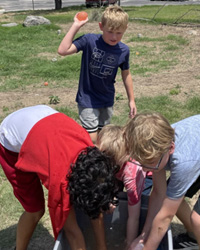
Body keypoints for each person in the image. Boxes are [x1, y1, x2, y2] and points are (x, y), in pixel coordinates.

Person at [0, 105, 119, 250]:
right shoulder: (61, 183)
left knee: (92, 202)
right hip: (11, 137)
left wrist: (102, 248)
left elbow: (96, 208)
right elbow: (72, 231)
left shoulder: (93, 158)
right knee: (35, 210)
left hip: (43, 121)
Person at [58, 5, 136, 143]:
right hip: (87, 98)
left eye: (119, 33)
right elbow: (63, 50)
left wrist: (131, 100)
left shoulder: (124, 50)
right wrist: (76, 25)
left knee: (104, 135)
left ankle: (100, 160)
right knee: (92, 138)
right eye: (110, 31)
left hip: (107, 99)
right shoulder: (89, 40)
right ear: (101, 26)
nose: (114, 36)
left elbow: (126, 75)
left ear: (126, 29)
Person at [124, 112, 200, 250]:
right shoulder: (157, 145)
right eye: (141, 163)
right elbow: (159, 193)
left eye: (149, 164)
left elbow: (165, 217)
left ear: (171, 148)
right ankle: (193, 237)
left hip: (192, 158)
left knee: (197, 220)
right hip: (195, 152)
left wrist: (147, 248)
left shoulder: (183, 162)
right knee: (173, 196)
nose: (145, 170)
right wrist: (144, 236)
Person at [97, 124, 149, 250]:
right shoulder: (107, 159)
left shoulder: (131, 174)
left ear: (125, 155)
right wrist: (108, 198)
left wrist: (128, 244)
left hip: (144, 174)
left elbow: (133, 216)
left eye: (111, 163)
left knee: (142, 204)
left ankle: (139, 237)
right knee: (114, 196)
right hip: (120, 171)